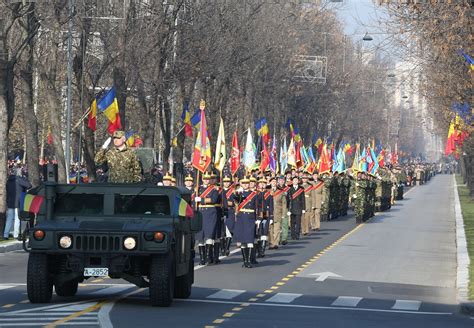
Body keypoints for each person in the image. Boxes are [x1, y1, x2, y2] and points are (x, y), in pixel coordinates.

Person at [233, 176, 258, 268]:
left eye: (247, 183)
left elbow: (257, 207)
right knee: (243, 241)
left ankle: (249, 260)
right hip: (241, 218)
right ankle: (245, 261)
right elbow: (234, 203)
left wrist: (258, 219)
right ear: (240, 184)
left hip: (250, 218)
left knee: (250, 240)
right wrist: (237, 195)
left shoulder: (254, 194)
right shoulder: (238, 193)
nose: (245, 185)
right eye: (243, 183)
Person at [195, 172, 220, 265]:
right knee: (200, 237)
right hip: (201, 213)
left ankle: (209, 257)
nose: (206, 180)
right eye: (204, 178)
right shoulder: (198, 189)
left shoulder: (214, 189)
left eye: (207, 179)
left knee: (209, 235)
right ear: (202, 179)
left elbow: (213, 200)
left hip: (210, 213)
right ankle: (202, 258)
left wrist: (201, 200)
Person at [4, 168, 32, 240]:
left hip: (10, 201)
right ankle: (16, 235)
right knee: (17, 218)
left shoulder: (8, 181)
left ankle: (5, 234)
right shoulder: (19, 180)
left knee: (9, 219)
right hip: (18, 201)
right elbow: (29, 185)